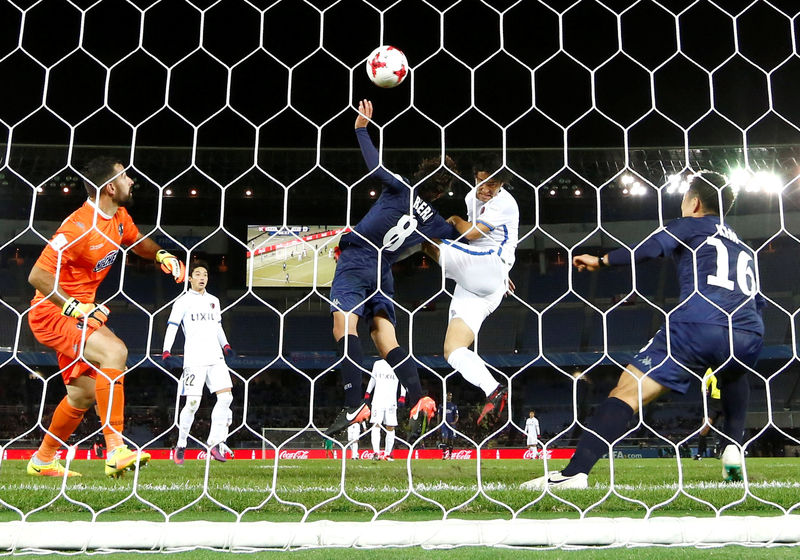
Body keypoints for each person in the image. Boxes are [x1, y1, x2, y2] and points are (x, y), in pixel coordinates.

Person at [522, 171, 764, 490]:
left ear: (694, 202)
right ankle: (734, 449)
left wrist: (602, 261)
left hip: (697, 325)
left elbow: (650, 249)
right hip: (749, 333)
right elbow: (757, 301)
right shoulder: (744, 248)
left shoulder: (689, 225)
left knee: (626, 391)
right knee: (734, 374)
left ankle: (574, 473)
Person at [26, 156, 186, 478]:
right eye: (125, 177)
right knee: (115, 351)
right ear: (110, 187)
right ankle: (115, 449)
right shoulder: (78, 226)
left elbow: (137, 241)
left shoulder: (120, 217)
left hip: (82, 312)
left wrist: (160, 254)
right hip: (53, 312)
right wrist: (71, 306)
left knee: (82, 394)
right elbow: (37, 276)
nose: (131, 181)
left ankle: (42, 460)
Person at [325, 99, 459, 436]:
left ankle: (354, 402)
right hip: (383, 272)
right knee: (387, 340)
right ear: (441, 192)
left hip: (357, 259)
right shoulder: (436, 221)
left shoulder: (401, 186)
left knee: (344, 327)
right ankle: (419, 397)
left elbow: (374, 166)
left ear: (420, 175)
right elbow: (463, 237)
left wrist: (360, 129)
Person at [421, 154, 519, 425]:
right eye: (482, 182)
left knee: (425, 239)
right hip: (482, 281)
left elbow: (473, 234)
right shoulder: (470, 198)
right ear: (475, 177)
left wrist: (452, 219)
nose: (486, 189)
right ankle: (494, 390)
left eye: (493, 184)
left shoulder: (506, 203)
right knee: (453, 351)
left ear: (502, 185)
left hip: (489, 267)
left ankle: (375, 254)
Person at [161, 260, 235, 465]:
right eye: (198, 274)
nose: (202, 278)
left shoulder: (214, 300)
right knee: (192, 403)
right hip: (194, 359)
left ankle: (214, 442)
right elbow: (172, 326)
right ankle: (182, 444)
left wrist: (226, 345)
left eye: (205, 274)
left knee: (226, 398)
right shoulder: (182, 302)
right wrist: (166, 350)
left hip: (216, 358)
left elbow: (218, 326)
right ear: (190, 278)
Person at [365, 359, 406, 461]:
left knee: (390, 427)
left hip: (391, 401)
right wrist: (367, 392)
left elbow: (403, 380)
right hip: (377, 400)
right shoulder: (377, 363)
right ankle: (376, 453)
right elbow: (373, 379)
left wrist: (402, 396)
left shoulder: (398, 362)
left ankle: (388, 454)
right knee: (376, 425)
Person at [695, 369, 724, 460]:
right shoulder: (711, 369)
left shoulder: (728, 366)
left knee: (727, 428)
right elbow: (704, 381)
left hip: (727, 400)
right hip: (714, 402)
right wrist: (705, 389)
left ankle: (722, 450)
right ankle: (700, 452)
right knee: (705, 426)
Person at [438, 392, 459, 459]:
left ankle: (450, 455)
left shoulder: (454, 405)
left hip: (451, 425)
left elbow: (457, 415)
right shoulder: (442, 405)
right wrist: (439, 424)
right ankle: (444, 455)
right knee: (444, 439)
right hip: (444, 424)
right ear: (446, 396)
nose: (449, 396)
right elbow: (438, 415)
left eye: (450, 395)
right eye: (448, 395)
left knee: (451, 440)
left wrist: (455, 422)